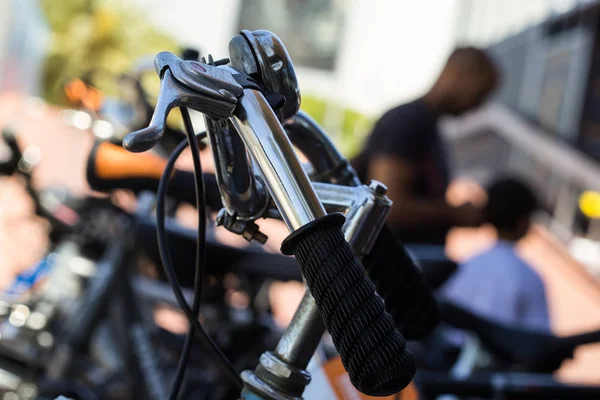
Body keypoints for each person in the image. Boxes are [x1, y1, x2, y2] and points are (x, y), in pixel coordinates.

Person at [353, 47, 499, 244]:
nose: (478, 105)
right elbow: (388, 204)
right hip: (384, 261)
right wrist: (454, 213)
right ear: (460, 75)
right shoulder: (407, 121)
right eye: (480, 93)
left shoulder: (427, 125)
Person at [440, 177, 550, 332]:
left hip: (450, 353)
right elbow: (540, 340)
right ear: (523, 221)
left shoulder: (468, 264)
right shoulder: (529, 277)